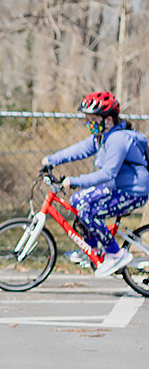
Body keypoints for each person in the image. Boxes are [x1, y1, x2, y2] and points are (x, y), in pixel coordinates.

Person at [42, 91, 149, 277]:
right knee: (77, 199)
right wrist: (51, 160)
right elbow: (79, 150)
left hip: (133, 192)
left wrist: (74, 181)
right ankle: (93, 249)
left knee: (88, 211)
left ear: (107, 120)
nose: (88, 123)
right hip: (117, 186)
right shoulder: (102, 136)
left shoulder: (118, 139)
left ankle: (115, 254)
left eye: (92, 119)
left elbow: (108, 173)